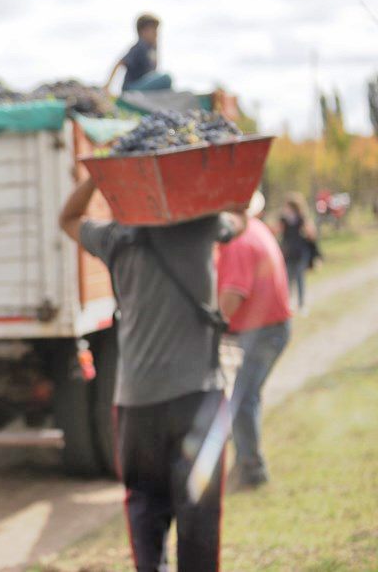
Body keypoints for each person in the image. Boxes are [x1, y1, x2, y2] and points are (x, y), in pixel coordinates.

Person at [60, 176, 246, 572]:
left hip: (136, 404)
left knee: (145, 510)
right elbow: (244, 215)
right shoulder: (203, 226)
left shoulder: (115, 238)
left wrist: (98, 177)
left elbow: (69, 217)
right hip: (198, 398)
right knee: (200, 519)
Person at [217, 191, 293, 490]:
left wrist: (210, 323)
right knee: (246, 396)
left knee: (243, 399)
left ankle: (251, 471)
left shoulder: (238, 243)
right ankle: (247, 464)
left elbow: (231, 299)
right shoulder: (255, 228)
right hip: (269, 326)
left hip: (262, 329)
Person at [105, 13, 173, 93]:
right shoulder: (139, 47)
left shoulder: (150, 49)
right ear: (142, 31)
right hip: (131, 89)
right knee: (166, 78)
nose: (156, 33)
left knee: (165, 85)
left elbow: (153, 72)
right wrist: (107, 86)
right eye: (153, 29)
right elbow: (120, 63)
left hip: (141, 87)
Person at [277, 192, 317, 313]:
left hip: (300, 252)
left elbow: (311, 234)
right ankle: (287, 303)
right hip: (288, 252)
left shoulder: (302, 219)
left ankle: (301, 304)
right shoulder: (284, 219)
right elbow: (278, 231)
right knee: (288, 278)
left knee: (299, 278)